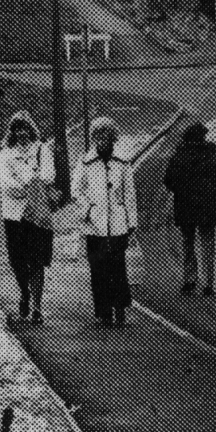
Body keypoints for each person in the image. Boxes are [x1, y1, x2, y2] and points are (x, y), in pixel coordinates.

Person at [73, 116, 139, 327]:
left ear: (113, 137)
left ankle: (119, 309)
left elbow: (130, 194)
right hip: (94, 226)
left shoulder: (122, 162)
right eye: (98, 135)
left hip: (118, 224)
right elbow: (75, 190)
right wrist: (89, 208)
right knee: (98, 269)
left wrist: (132, 224)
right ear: (94, 138)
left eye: (107, 135)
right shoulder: (85, 162)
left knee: (118, 268)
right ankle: (103, 313)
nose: (103, 139)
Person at [0, 110, 57, 325]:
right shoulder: (5, 155)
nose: (21, 133)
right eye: (17, 129)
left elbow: (49, 175)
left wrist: (26, 181)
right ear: (12, 133)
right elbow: (6, 185)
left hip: (38, 215)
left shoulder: (42, 150)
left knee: (37, 261)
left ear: (31, 129)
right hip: (13, 216)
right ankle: (24, 293)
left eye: (25, 128)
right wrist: (32, 182)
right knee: (17, 261)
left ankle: (38, 307)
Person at [163, 122, 216, 296]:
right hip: (208, 207)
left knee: (187, 242)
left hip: (185, 206)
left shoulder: (178, 157)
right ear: (203, 137)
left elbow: (168, 181)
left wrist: (182, 189)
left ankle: (189, 279)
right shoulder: (212, 157)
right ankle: (208, 282)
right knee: (207, 242)